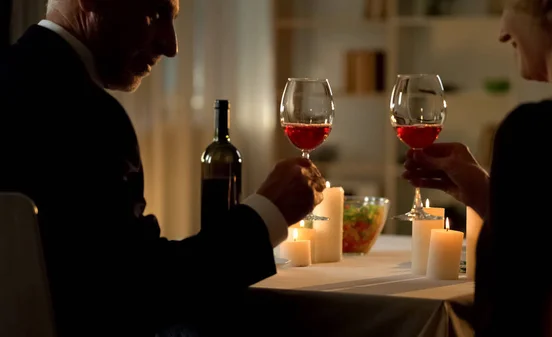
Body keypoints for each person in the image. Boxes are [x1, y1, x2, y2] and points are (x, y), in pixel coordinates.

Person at [0, 0, 326, 336]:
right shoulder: (87, 117)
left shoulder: (15, 79)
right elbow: (143, 292)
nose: (170, 46)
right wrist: (268, 211)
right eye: (154, 14)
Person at [402, 0, 552, 336]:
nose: (501, 32)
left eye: (509, 6)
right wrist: (486, 192)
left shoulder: (536, 131)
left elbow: (514, 298)